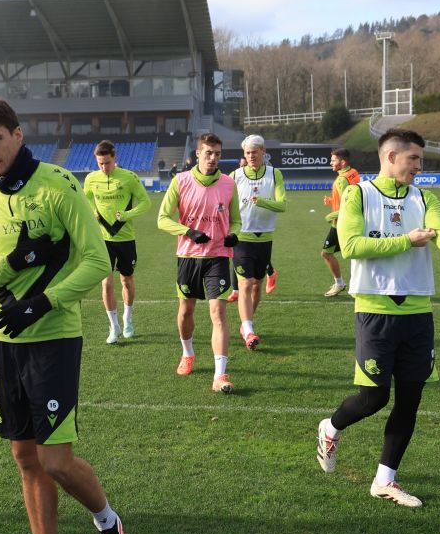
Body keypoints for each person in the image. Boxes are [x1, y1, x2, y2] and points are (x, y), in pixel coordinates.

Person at [0, 98, 132, 534]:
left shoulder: (58, 186)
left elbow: (97, 260)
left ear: (16, 135)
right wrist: (10, 265)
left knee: (56, 460)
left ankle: (108, 523)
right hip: (6, 341)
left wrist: (41, 304)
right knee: (24, 456)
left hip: (54, 338)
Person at [314, 128, 440, 507]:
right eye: (413, 159)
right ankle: (330, 426)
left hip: (418, 311)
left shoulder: (424, 196)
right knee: (373, 398)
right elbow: (351, 246)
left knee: (410, 399)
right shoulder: (357, 194)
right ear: (390, 157)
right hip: (375, 310)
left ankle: (385, 480)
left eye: (420, 160)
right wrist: (406, 240)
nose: (418, 167)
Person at [157, 133, 240, 392]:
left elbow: (236, 219)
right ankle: (188, 353)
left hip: (218, 256)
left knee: (218, 312)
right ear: (198, 154)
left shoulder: (228, 184)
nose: (213, 158)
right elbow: (162, 219)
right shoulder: (180, 181)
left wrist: (233, 234)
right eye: (208, 153)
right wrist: (189, 232)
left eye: (217, 153)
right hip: (188, 257)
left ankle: (220, 375)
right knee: (186, 311)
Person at [83, 139, 151, 343]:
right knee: (106, 282)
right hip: (103, 239)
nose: (104, 167)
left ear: (115, 159)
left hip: (126, 239)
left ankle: (127, 319)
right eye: (100, 163)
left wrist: (128, 214)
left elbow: (146, 203)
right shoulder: (91, 179)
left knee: (126, 280)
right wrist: (92, 211)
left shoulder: (129, 178)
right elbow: (85, 198)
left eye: (107, 163)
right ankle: (113, 327)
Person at [230, 135, 287, 350]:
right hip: (241, 236)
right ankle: (249, 329)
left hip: (265, 238)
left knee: (256, 286)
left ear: (263, 151)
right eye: (247, 153)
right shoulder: (235, 175)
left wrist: (261, 201)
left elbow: (282, 205)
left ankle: (246, 325)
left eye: (255, 152)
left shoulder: (275, 174)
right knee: (244, 284)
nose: (251, 156)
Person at [321, 149, 360, 296]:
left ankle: (340, 283)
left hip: (341, 223)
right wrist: (331, 201)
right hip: (353, 222)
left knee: (326, 253)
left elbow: (348, 206)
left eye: (333, 160)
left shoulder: (341, 179)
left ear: (342, 162)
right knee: (356, 254)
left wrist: (331, 215)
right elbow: (352, 197)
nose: (330, 162)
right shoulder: (354, 173)